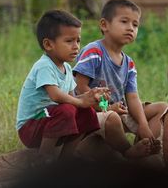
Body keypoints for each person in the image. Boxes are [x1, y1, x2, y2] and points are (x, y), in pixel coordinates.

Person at [73, 0, 167, 161]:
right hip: (91, 113)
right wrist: (106, 107)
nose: (130, 28)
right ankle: (128, 152)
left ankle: (144, 146)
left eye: (135, 24)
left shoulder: (129, 63)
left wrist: (143, 125)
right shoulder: (94, 52)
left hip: (118, 111)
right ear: (104, 25)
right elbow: (81, 89)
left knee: (162, 108)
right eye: (124, 21)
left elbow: (132, 97)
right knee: (113, 117)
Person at [16, 10, 109, 163]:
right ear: (48, 44)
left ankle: (67, 158)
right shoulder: (44, 66)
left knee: (86, 111)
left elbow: (73, 99)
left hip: (50, 121)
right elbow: (56, 96)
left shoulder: (67, 68)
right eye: (69, 41)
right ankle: (44, 157)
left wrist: (91, 97)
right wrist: (80, 101)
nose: (76, 46)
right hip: (31, 126)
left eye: (78, 41)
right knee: (67, 109)